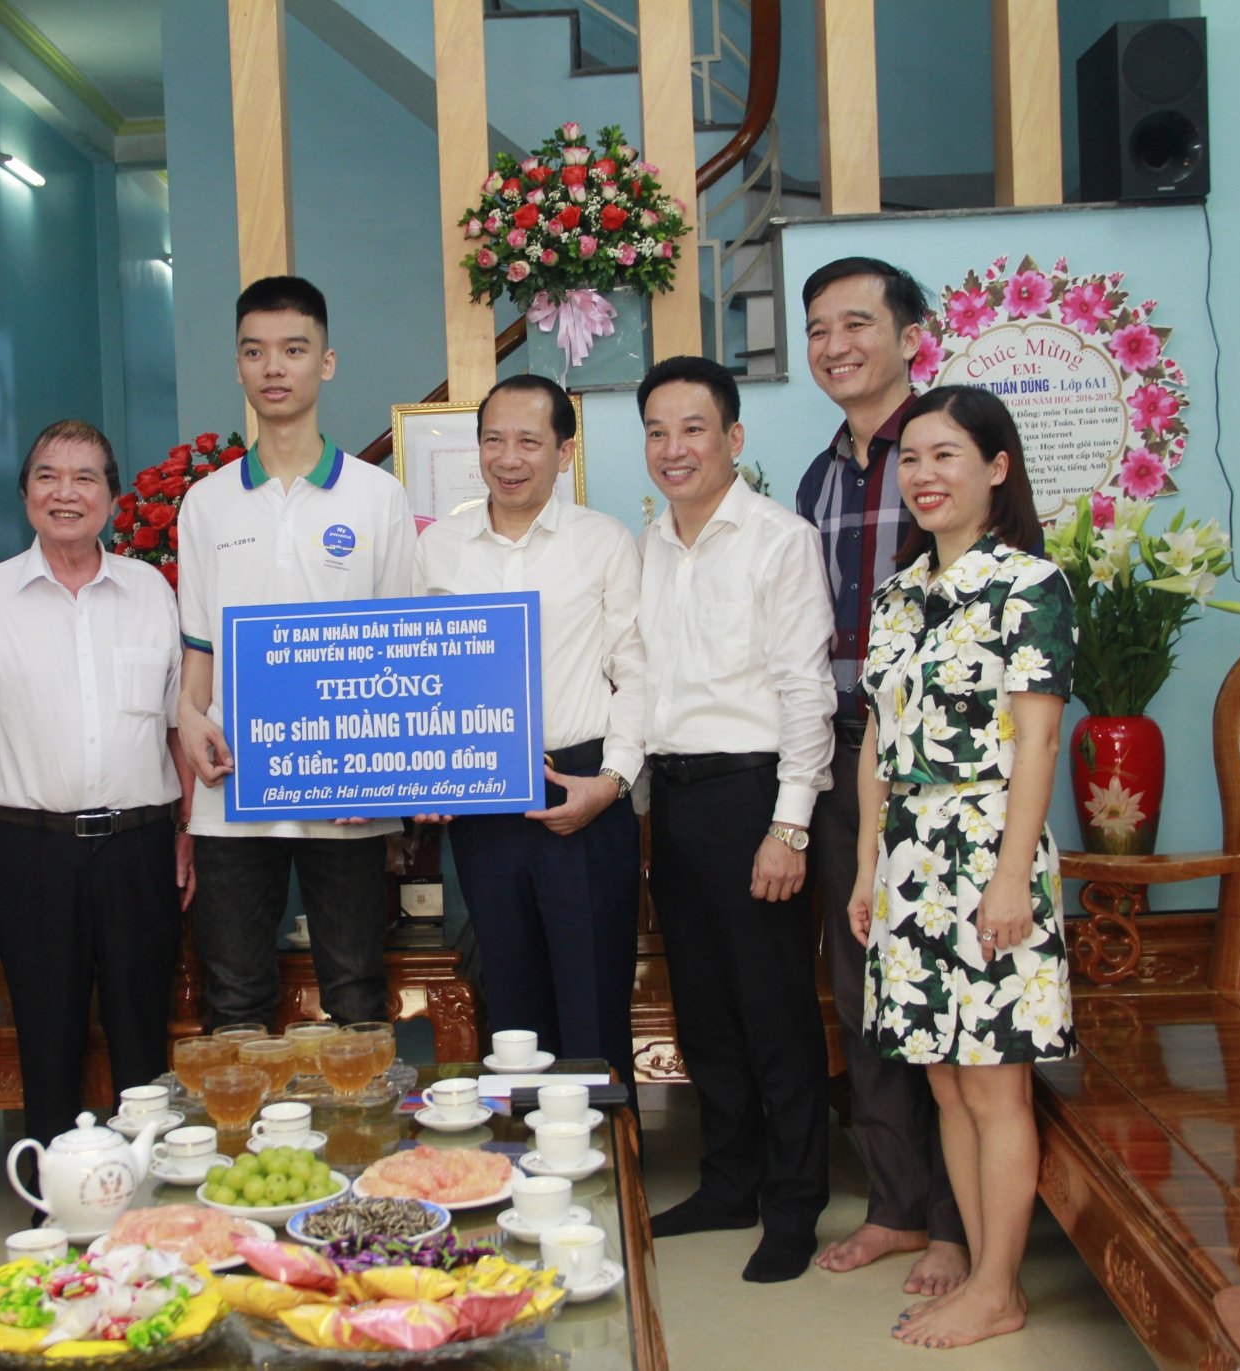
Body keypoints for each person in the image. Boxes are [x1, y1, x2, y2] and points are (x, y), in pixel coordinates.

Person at [849, 384, 1077, 1349]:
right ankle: (983, 1277)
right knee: (944, 1078)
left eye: (946, 456)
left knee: (995, 1083)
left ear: (996, 467)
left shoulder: (1029, 584)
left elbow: (1038, 746)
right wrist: (866, 869)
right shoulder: (900, 593)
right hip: (908, 858)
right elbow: (876, 741)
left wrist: (1011, 875)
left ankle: (997, 1283)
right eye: (911, 458)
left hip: (989, 847)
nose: (924, 475)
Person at [635, 355, 836, 1282]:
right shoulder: (646, 543)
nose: (675, 449)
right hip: (673, 802)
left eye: (694, 429)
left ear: (734, 439)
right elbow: (635, 683)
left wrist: (789, 825)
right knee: (706, 1008)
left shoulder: (778, 540)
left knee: (776, 1011)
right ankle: (728, 1182)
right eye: (658, 432)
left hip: (756, 796)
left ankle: (794, 1203)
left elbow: (807, 692)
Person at [0, 419, 192, 1148]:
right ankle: (57, 1195)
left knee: (140, 1031)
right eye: (48, 476)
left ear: (112, 498)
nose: (66, 492)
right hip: (30, 848)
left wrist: (186, 833)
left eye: (85, 477)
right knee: (46, 1033)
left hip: (140, 846)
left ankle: (146, 1189)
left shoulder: (151, 592)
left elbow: (180, 726)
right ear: (25, 494)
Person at [794, 257, 970, 1296]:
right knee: (863, 991)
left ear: (912, 336)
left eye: (856, 323)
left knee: (945, 996)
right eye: (817, 329)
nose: (833, 345)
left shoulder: (945, 449)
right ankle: (897, 1206)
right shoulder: (819, 473)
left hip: (939, 769)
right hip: (842, 758)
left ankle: (959, 1221)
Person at [174, 276, 414, 1028]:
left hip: (346, 794)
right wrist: (186, 719)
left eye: (293, 349)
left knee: (355, 992)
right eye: (255, 351)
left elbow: (400, 653)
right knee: (235, 997)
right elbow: (198, 649)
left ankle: (360, 1143)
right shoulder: (205, 501)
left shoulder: (377, 496)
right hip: (233, 792)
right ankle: (241, 1149)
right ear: (238, 365)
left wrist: (382, 775)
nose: (274, 367)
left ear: (327, 362)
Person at [412, 374, 644, 1086]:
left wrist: (610, 784)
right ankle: (526, 1179)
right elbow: (420, 676)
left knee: (592, 1005)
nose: (508, 458)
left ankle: (610, 1181)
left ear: (564, 452)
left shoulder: (603, 541)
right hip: (480, 797)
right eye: (493, 440)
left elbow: (637, 672)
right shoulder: (439, 549)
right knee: (511, 1007)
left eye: (529, 442)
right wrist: (427, 771)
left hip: (582, 786)